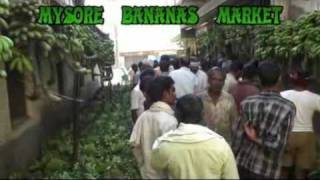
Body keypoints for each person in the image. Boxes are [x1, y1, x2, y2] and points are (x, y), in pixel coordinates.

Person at [231, 61, 296, 179]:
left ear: (258, 80)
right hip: (268, 169)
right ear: (279, 79)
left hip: (244, 164)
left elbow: (237, 137)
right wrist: (257, 139)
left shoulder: (247, 103)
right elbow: (280, 146)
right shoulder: (288, 107)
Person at [151, 94, 239, 179]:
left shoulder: (164, 145)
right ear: (203, 114)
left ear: (177, 115)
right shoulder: (221, 145)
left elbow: (156, 166)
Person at [129, 76, 178, 179]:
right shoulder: (170, 121)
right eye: (172, 90)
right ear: (165, 93)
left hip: (147, 174)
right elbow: (173, 156)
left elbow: (134, 144)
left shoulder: (143, 116)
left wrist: (143, 165)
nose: (175, 94)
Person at [281, 69, 319, 179]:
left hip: (287, 134)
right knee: (301, 172)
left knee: (284, 169)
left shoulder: (283, 95)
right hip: (306, 136)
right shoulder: (314, 97)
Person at [198, 67, 237, 142]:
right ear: (209, 80)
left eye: (220, 80)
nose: (217, 83)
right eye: (214, 79)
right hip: (204, 141)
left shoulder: (229, 98)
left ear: (223, 82)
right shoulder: (199, 98)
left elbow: (234, 121)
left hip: (224, 142)